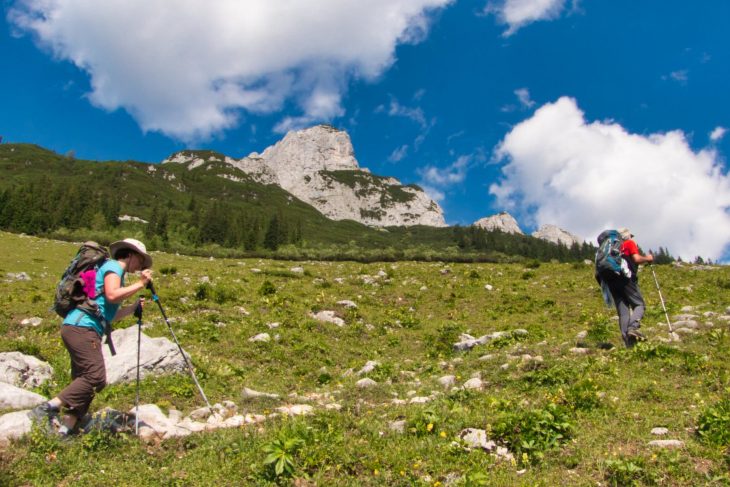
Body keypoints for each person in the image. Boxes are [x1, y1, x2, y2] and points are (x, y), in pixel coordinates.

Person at [30, 238, 153, 436]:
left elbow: (110, 313)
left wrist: (132, 309)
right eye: (141, 260)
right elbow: (113, 295)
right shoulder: (114, 266)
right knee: (95, 377)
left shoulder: (114, 272)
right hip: (82, 327)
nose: (141, 266)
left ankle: (65, 430)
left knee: (84, 381)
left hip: (82, 327)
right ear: (130, 255)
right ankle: (47, 408)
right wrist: (140, 284)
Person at [601, 228, 654, 347]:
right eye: (630, 236)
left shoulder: (610, 250)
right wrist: (648, 258)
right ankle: (633, 327)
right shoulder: (629, 243)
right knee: (639, 305)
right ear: (627, 236)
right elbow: (637, 259)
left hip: (612, 281)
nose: (632, 238)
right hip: (626, 279)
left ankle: (628, 343)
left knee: (623, 312)